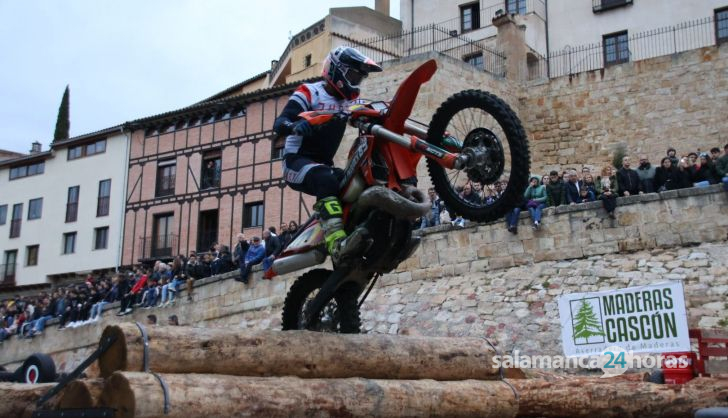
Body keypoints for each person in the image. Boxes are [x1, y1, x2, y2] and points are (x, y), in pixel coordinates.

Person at [273, 46, 382, 260]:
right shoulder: (309, 91)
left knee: (358, 181)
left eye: (359, 78)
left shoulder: (349, 102)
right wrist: (296, 125)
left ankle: (363, 234)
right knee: (326, 179)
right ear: (336, 70)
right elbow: (280, 122)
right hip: (296, 163)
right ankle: (336, 241)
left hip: (325, 165)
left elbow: (371, 113)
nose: (355, 82)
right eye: (352, 76)